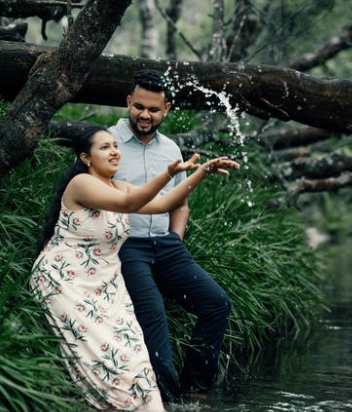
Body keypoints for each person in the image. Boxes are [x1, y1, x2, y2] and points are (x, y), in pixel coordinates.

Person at [30, 124, 239, 411]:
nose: (114, 151)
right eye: (104, 147)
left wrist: (201, 173)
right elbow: (130, 203)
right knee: (108, 351)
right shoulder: (81, 183)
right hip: (67, 277)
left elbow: (164, 202)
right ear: (86, 158)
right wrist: (167, 174)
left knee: (135, 352)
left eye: (115, 146)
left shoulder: (118, 185)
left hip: (105, 278)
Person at [108, 69, 234, 402]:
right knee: (155, 319)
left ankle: (195, 393)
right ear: (128, 103)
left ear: (167, 109)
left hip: (166, 246)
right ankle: (166, 401)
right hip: (125, 247)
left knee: (217, 305)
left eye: (153, 109)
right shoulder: (107, 143)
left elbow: (179, 205)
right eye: (138, 107)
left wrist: (176, 239)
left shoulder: (171, 150)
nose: (144, 115)